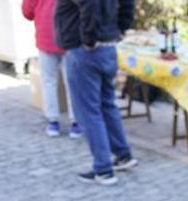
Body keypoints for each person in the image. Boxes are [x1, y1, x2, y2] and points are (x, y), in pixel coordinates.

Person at [54, 0, 138, 185]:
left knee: (89, 112)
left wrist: (89, 39)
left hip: (85, 50)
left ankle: (103, 169)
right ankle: (123, 155)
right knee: (107, 105)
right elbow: (128, 5)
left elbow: (89, 5)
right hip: (106, 45)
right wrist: (120, 29)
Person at [23, 0, 81, 138]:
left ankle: (53, 121)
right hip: (69, 37)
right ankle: (76, 122)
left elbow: (27, 12)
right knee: (72, 82)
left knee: (48, 81)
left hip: (46, 36)